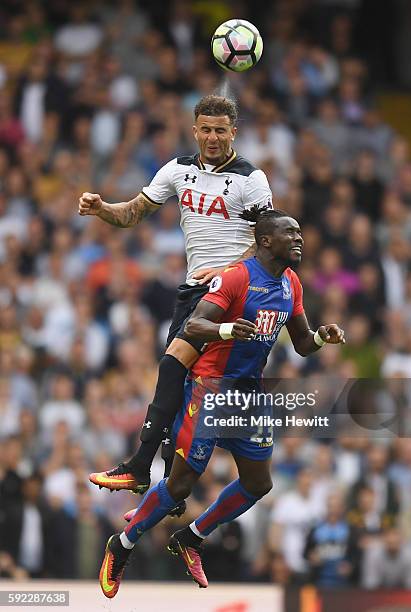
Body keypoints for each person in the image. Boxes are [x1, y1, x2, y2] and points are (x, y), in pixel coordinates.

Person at [97, 206, 345, 598]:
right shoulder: (236, 277)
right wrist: (227, 329)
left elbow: (300, 343)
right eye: (290, 233)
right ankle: (122, 544)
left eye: (299, 233)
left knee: (258, 482)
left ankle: (192, 537)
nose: (299, 239)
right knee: (179, 486)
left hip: (249, 393)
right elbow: (193, 324)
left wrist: (320, 337)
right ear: (265, 241)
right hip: (210, 389)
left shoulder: (291, 284)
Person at [81, 95, 273, 499]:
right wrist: (102, 209)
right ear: (194, 130)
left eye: (221, 130)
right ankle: (166, 483)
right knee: (177, 377)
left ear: (233, 132)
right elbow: (134, 212)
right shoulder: (177, 170)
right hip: (194, 292)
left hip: (234, 290)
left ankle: (142, 468)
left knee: (174, 367)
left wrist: (228, 270)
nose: (213, 137)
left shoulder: (251, 179)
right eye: (206, 129)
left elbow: (268, 244)